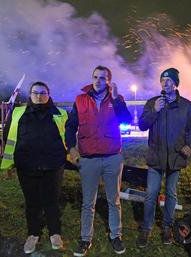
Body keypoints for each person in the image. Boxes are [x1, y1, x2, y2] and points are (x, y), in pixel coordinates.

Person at [65, 65, 132, 256]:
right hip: (88, 159)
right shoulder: (80, 100)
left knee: (114, 200)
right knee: (88, 202)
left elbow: (126, 120)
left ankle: (116, 236)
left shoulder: (116, 99)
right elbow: (70, 127)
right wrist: (72, 148)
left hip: (112, 157)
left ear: (108, 81)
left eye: (102, 78)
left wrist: (118, 100)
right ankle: (85, 239)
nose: (98, 80)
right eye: (95, 77)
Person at [0, 81, 67, 254]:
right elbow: (9, 138)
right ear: (30, 95)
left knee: (52, 201)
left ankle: (55, 233)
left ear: (49, 94)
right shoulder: (18, 113)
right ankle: (33, 234)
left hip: (53, 166)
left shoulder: (60, 114)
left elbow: (68, 137)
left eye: (42, 92)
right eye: (35, 92)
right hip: (26, 166)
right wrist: (8, 164)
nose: (39, 95)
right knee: (32, 203)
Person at [136, 68, 191, 247]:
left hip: (176, 157)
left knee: (171, 194)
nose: (165, 83)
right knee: (151, 193)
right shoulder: (152, 103)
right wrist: (154, 110)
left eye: (169, 80)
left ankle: (167, 228)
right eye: (162, 80)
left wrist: (190, 145)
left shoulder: (186, 105)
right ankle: (146, 229)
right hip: (156, 156)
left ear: (176, 84)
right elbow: (142, 125)